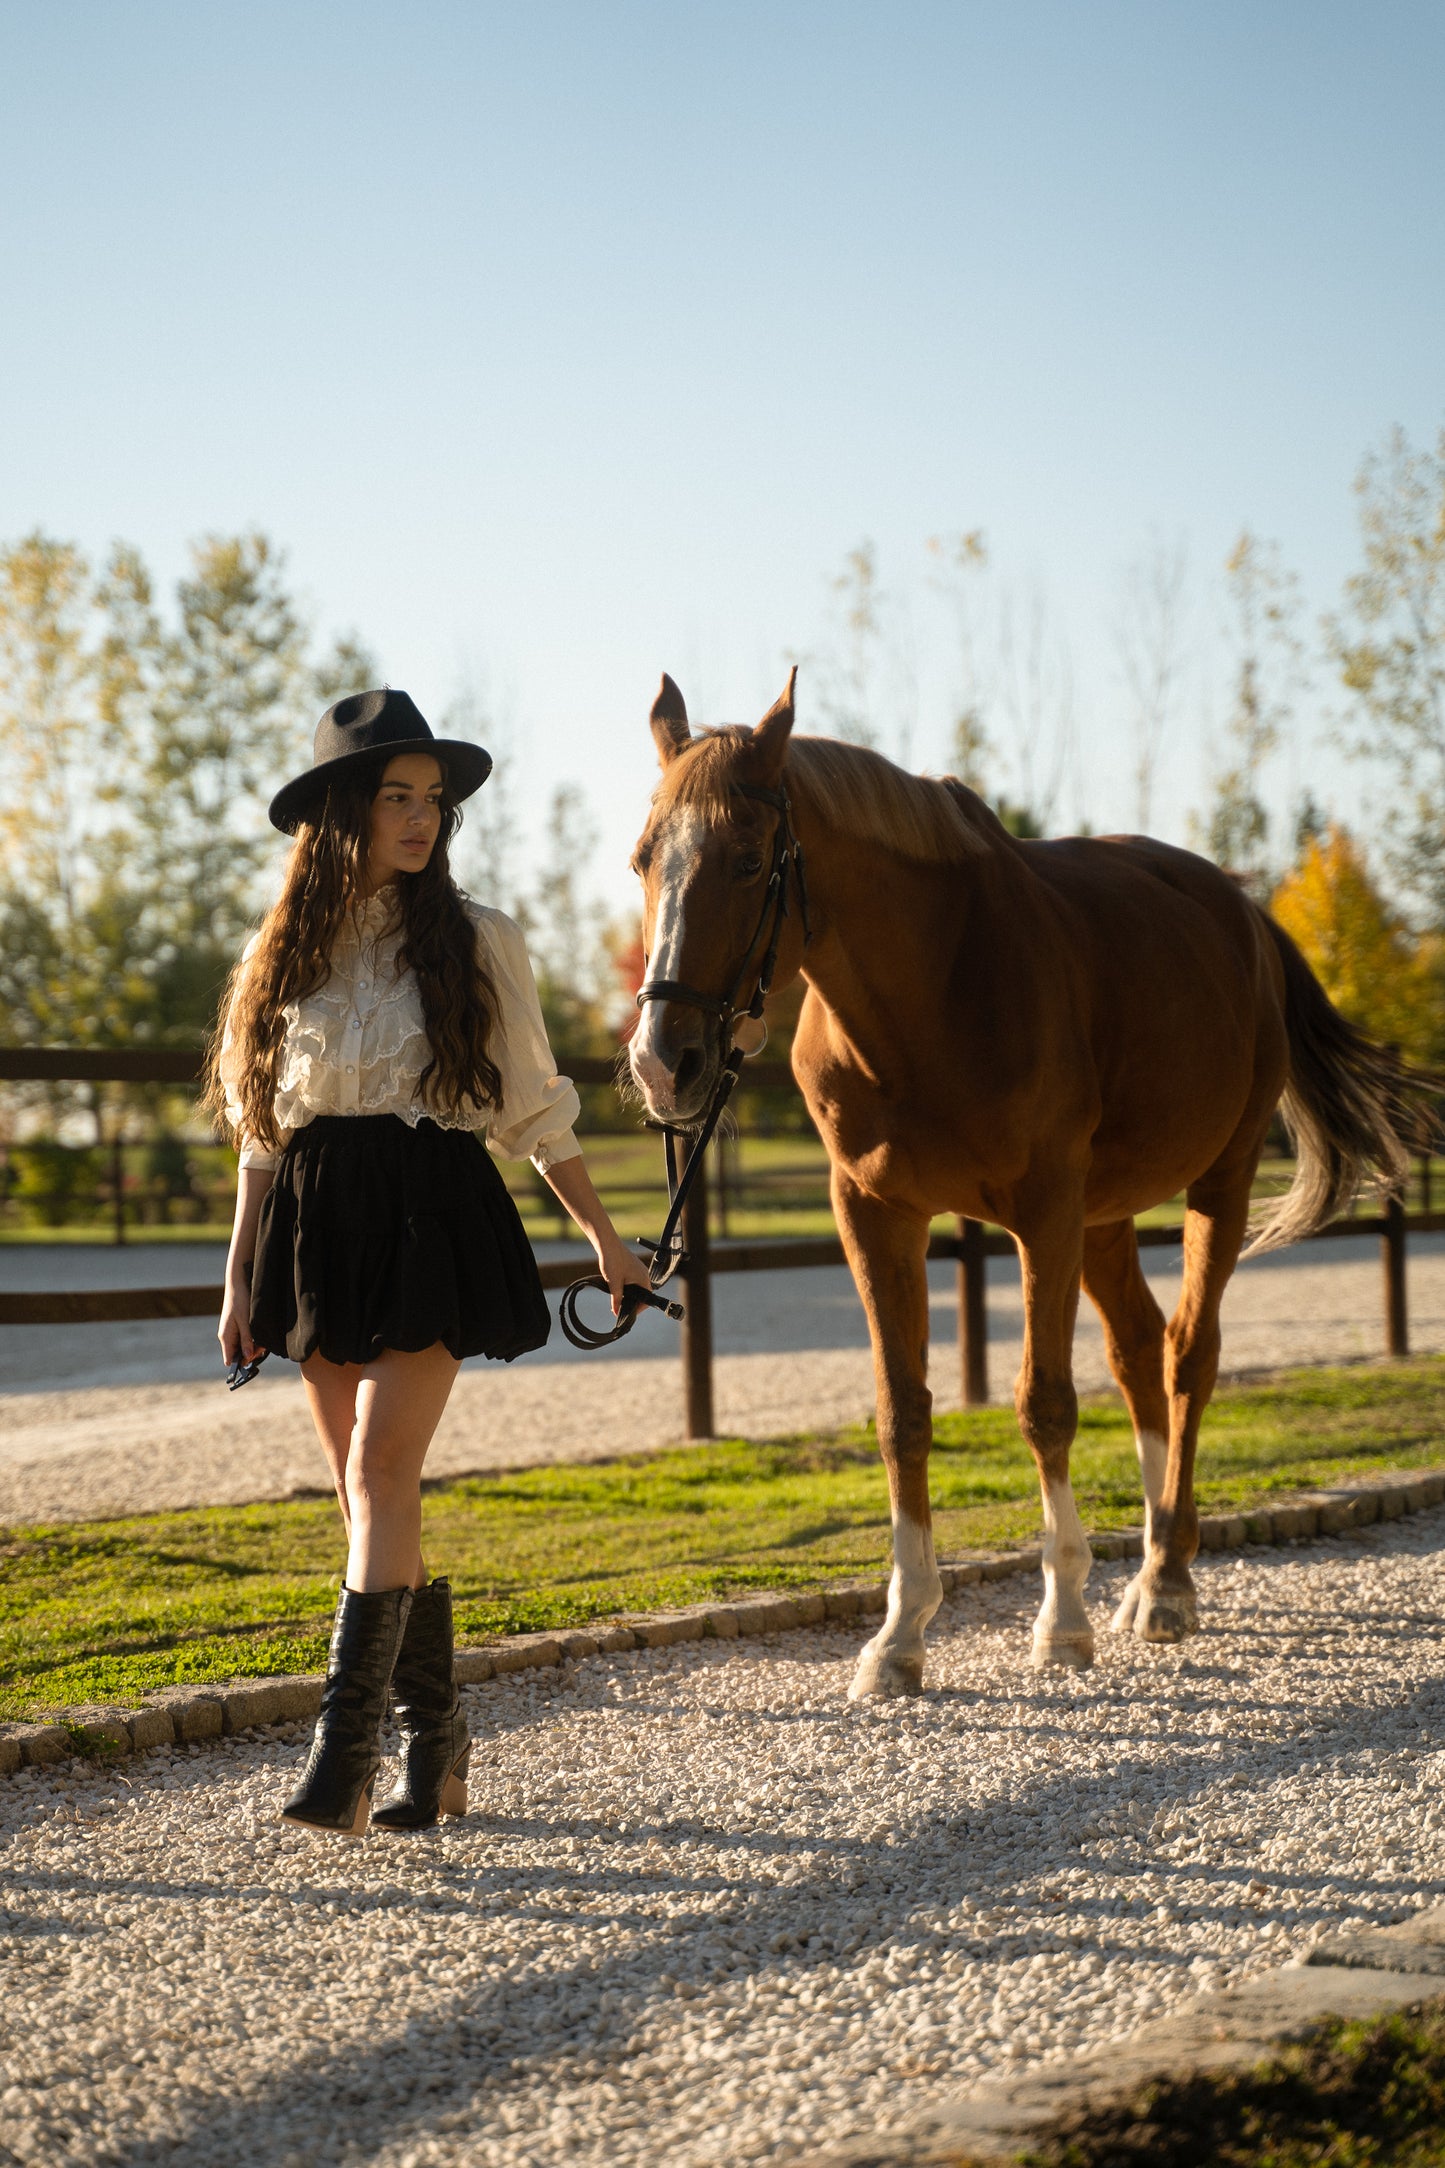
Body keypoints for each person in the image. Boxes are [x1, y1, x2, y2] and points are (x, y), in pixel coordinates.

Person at [210, 687, 651, 1838]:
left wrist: (605, 1237)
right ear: (340, 811)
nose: (420, 818)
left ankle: (342, 1754)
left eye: (433, 800)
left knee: (380, 1464)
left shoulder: (477, 936)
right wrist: (237, 1271)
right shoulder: (280, 951)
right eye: (396, 797)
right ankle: (439, 1746)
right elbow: (261, 1127)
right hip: (314, 1218)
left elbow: (535, 1108)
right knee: (366, 1494)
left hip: (429, 1211)